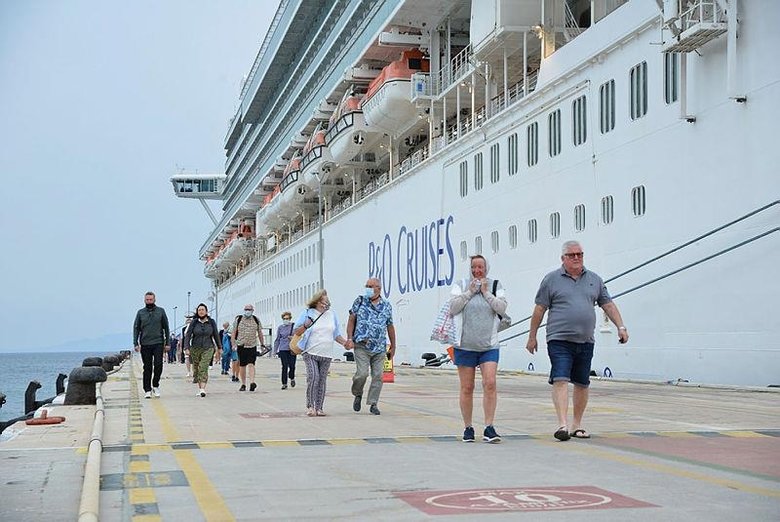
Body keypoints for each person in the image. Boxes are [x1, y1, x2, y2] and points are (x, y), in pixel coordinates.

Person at [526, 240, 629, 441]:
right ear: (563, 258)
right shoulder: (551, 280)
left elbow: (607, 304)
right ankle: (562, 425)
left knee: (582, 383)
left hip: (585, 340)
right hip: (559, 339)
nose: (576, 258)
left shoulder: (594, 280)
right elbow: (539, 309)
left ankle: (577, 425)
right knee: (561, 378)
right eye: (572, 255)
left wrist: (621, 327)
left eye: (579, 254)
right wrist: (532, 337)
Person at [448, 255, 507, 443]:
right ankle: (468, 427)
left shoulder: (496, 285)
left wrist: (486, 293)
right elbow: (453, 308)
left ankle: (489, 427)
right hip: (465, 345)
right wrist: (469, 292)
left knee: (490, 383)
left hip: (489, 345)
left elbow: (502, 308)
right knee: (467, 387)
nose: (477, 270)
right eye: (474, 267)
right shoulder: (461, 285)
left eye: (480, 267)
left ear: (486, 268)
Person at [345, 278, 396, 416]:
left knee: (378, 376)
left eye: (371, 286)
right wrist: (349, 338)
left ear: (379, 288)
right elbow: (351, 320)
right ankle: (357, 393)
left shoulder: (387, 306)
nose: (368, 288)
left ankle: (373, 403)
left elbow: (390, 326)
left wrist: (393, 346)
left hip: (379, 347)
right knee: (362, 374)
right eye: (366, 286)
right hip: (361, 345)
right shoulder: (360, 301)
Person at [293, 290, 348, 416]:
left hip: (326, 354)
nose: (327, 304)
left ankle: (319, 407)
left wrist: (345, 343)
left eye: (328, 302)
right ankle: (311, 406)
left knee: (322, 380)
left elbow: (336, 335)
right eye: (324, 302)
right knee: (313, 378)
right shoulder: (308, 313)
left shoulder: (332, 315)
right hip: (310, 352)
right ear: (317, 302)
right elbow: (297, 331)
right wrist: (305, 326)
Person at [133, 291, 171, 399]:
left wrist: (167, 342)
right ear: (144, 300)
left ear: (154, 300)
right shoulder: (140, 313)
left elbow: (166, 328)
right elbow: (136, 328)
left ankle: (155, 384)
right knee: (147, 367)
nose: (149, 301)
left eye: (151, 299)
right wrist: (135, 343)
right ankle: (147, 389)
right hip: (145, 344)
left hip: (158, 342)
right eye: (147, 300)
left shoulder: (161, 311)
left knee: (158, 365)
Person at [182, 303, 220, 397]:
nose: (201, 311)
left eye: (203, 310)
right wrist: (186, 347)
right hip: (195, 348)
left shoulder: (211, 322)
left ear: (206, 311)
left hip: (208, 347)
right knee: (197, 368)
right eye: (199, 310)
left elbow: (216, 335)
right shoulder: (194, 322)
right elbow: (188, 335)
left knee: (203, 366)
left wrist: (219, 347)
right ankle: (199, 385)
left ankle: (202, 389)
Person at [231, 304, 266, 391]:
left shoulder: (256, 320)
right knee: (242, 365)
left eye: (250, 309)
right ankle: (243, 384)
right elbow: (233, 332)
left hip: (252, 345)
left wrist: (262, 344)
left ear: (252, 311)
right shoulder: (238, 320)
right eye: (246, 309)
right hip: (241, 345)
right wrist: (233, 344)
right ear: (244, 310)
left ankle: (252, 382)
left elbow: (260, 332)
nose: (248, 311)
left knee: (251, 364)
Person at [273, 311, 296, 390]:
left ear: (290, 318)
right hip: (283, 349)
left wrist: (292, 337)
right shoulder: (280, 327)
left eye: (287, 318)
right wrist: (275, 351)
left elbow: (299, 336)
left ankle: (292, 377)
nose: (286, 320)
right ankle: (284, 383)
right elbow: (277, 340)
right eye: (284, 318)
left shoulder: (294, 326)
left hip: (292, 349)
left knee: (292, 366)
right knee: (284, 366)